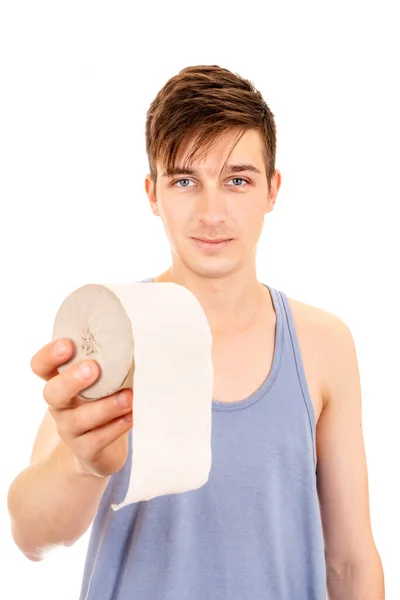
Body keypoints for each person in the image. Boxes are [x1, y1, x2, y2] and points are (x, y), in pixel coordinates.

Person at [7, 64, 384, 599]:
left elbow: (349, 560)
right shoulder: (112, 331)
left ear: (272, 189)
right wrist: (81, 465)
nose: (212, 212)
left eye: (237, 180)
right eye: (185, 180)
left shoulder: (324, 345)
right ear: (152, 193)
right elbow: (30, 536)